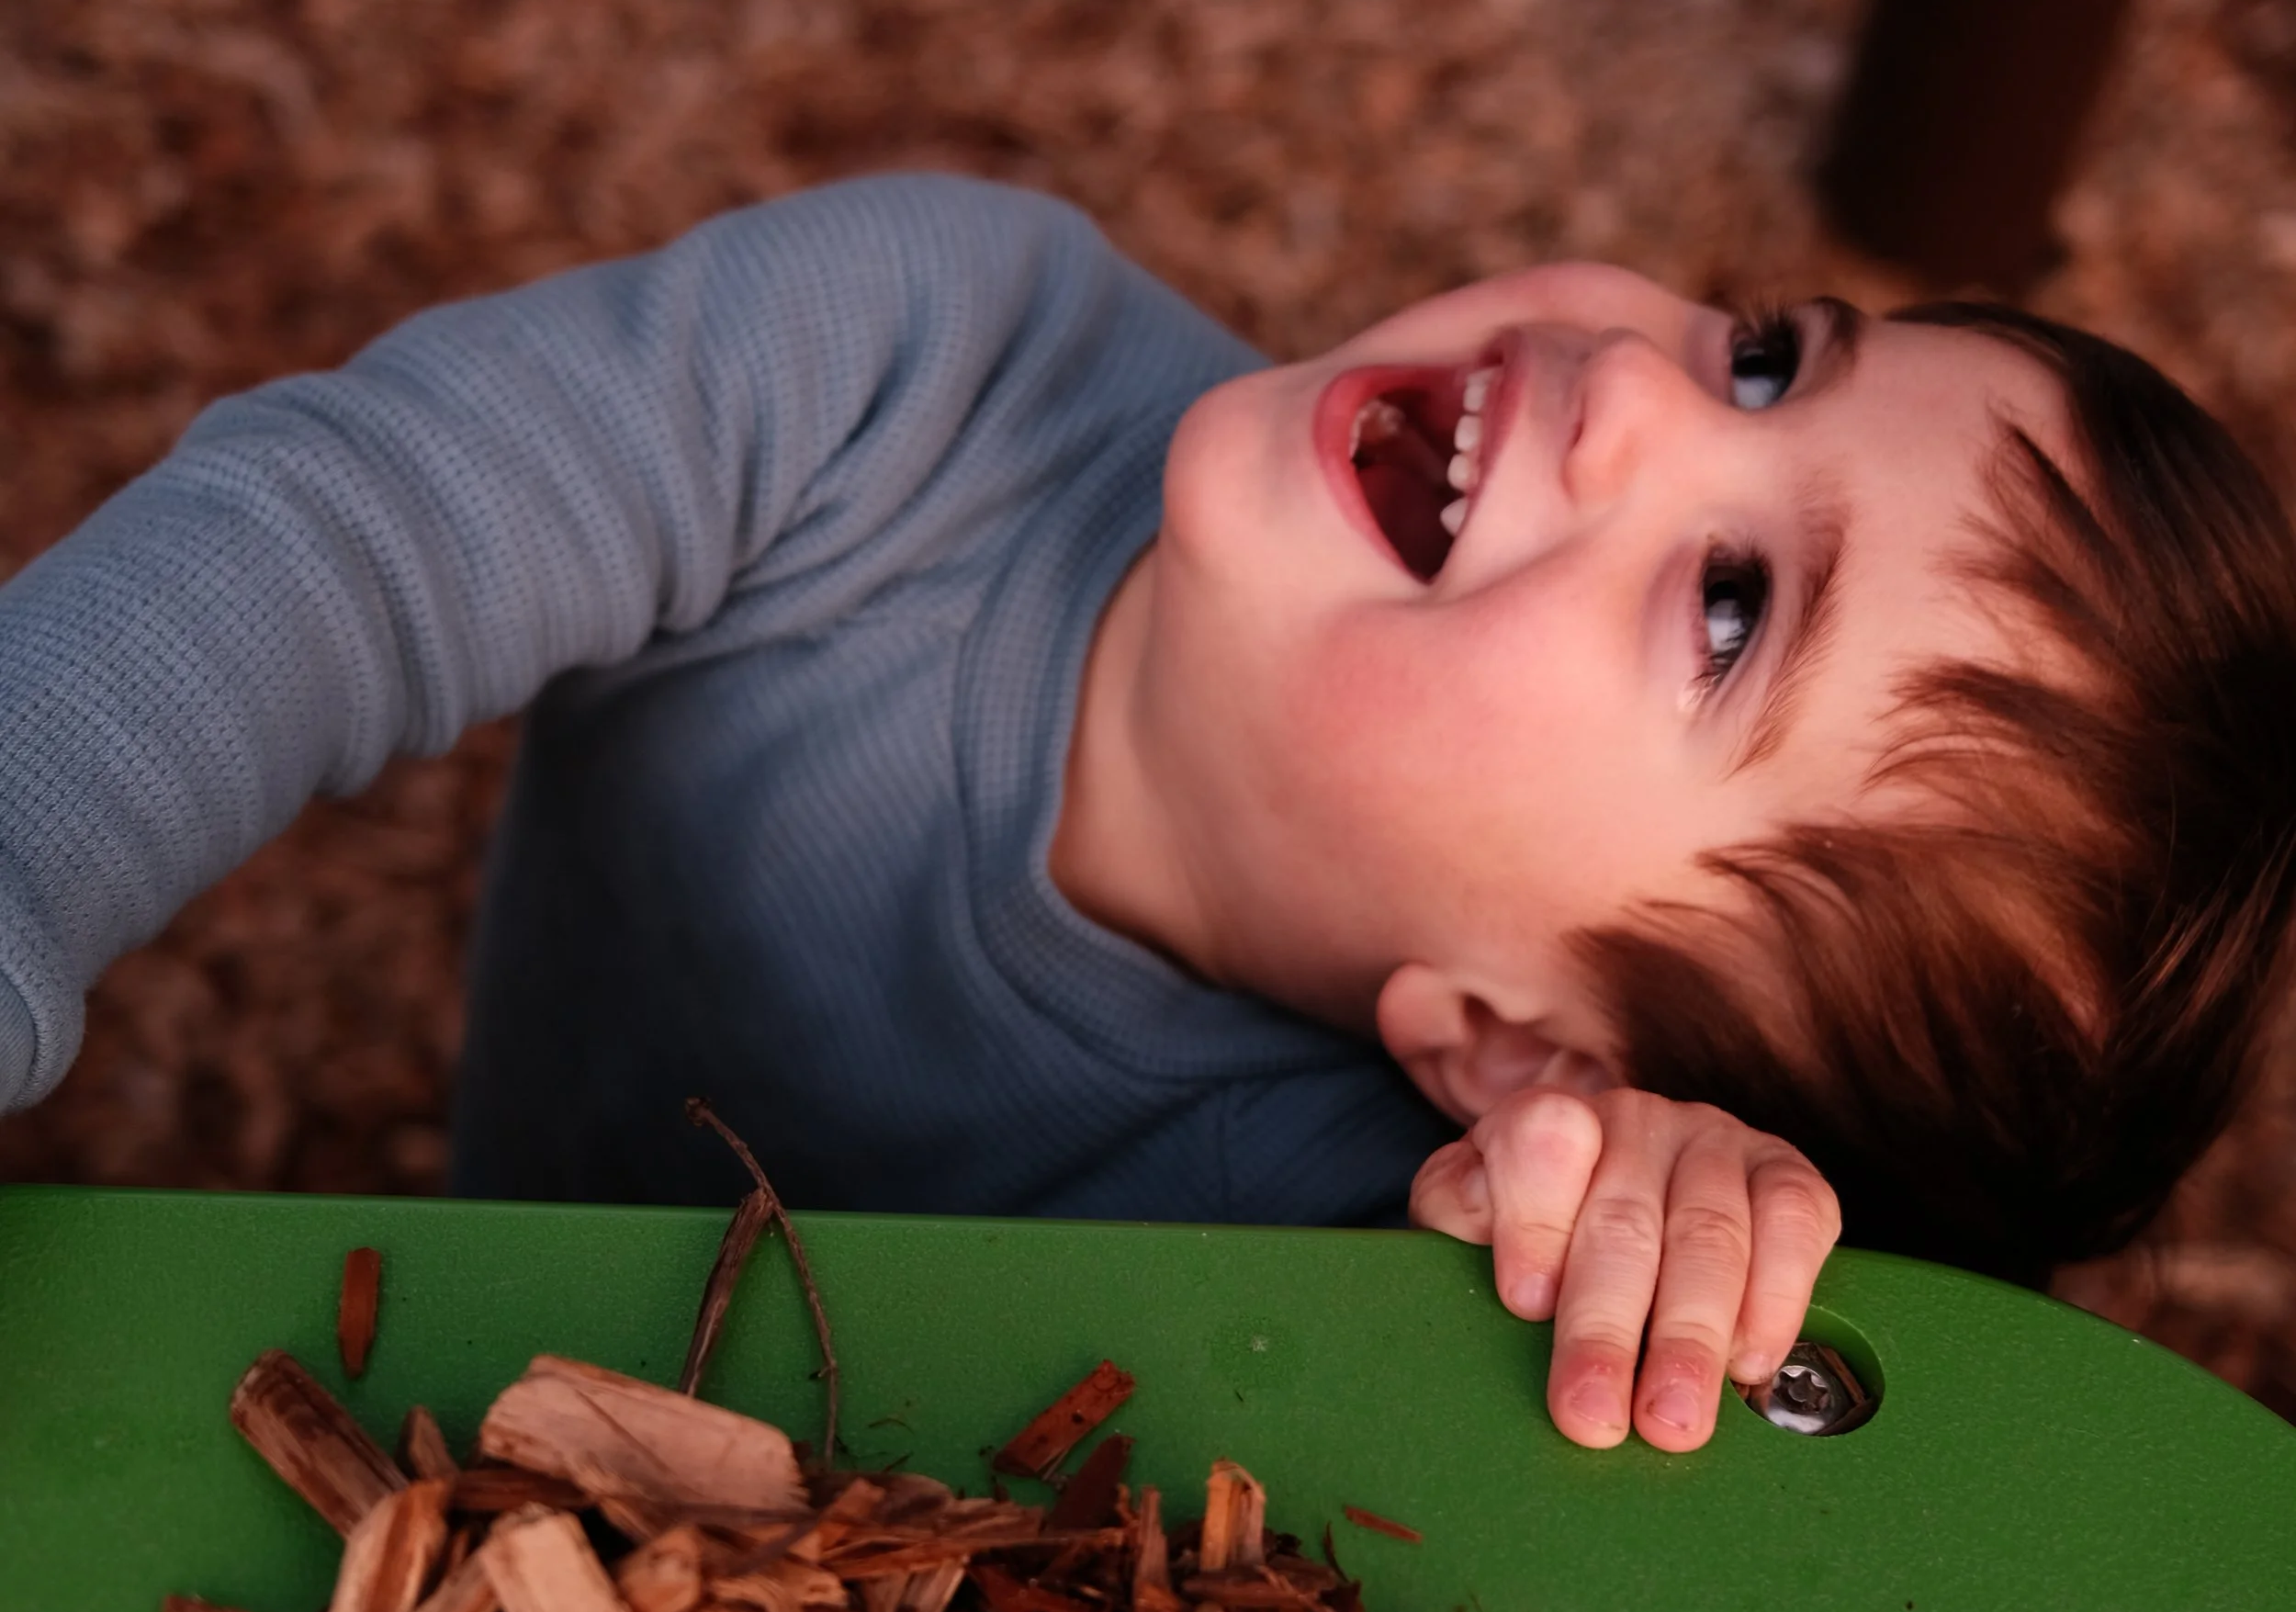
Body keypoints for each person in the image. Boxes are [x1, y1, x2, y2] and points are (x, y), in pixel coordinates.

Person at [3, 173, 2291, 1458]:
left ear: (1526, 1053)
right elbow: (348, 541)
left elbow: (1490, 1579)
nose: (1637, 396)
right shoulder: (924, 353)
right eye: (1770, 357)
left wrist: (1630, 1255)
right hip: (465, 1315)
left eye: (1722, 610)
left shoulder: (1409, 1238)